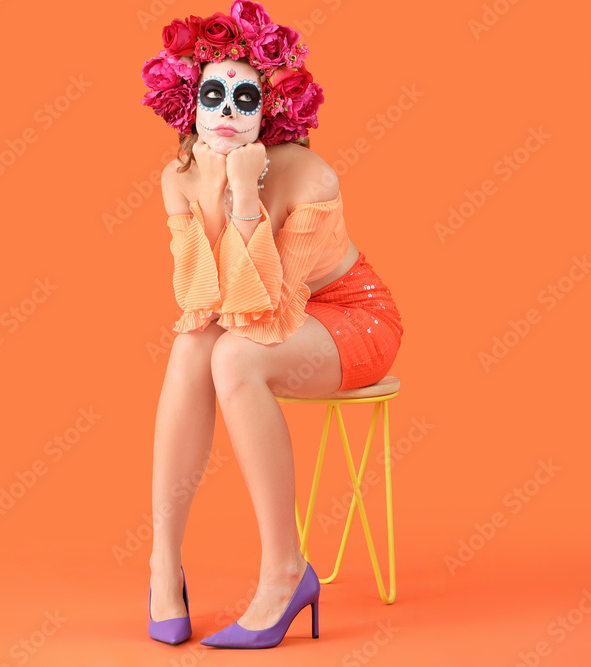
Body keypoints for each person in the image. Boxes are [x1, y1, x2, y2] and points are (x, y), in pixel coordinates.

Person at [140, 1, 404, 649]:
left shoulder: (310, 175)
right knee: (195, 340)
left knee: (233, 356)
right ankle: (161, 565)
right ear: (188, 102)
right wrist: (213, 193)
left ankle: (285, 573)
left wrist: (249, 196)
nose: (227, 110)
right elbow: (201, 297)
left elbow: (265, 308)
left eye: (244, 95)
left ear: (274, 105)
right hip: (276, 311)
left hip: (353, 319)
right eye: (212, 93)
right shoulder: (179, 177)